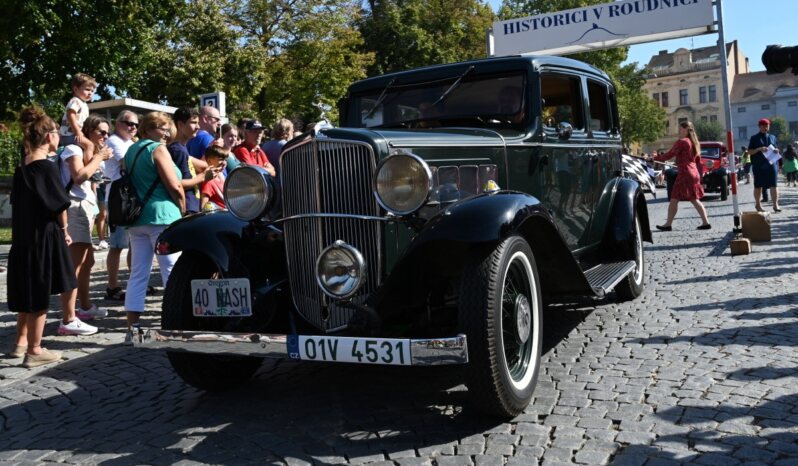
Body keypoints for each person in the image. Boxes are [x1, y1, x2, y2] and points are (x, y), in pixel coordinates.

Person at [7, 107, 80, 367]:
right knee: (39, 292)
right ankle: (35, 350)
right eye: (58, 134)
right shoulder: (46, 168)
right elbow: (59, 205)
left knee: (27, 290)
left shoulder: (21, 169)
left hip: (23, 237)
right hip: (44, 235)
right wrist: (65, 231)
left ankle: (20, 342)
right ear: (49, 136)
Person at [124, 112, 185, 330]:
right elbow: (174, 184)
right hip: (162, 215)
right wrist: (183, 207)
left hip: (137, 218)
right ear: (148, 128)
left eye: (168, 127)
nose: (166, 132)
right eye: (161, 127)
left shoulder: (131, 150)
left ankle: (133, 327)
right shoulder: (158, 149)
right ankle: (176, 322)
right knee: (172, 271)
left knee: (138, 273)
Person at [60, 115, 114, 326]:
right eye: (101, 131)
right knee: (75, 265)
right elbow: (78, 177)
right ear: (89, 131)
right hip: (75, 207)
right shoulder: (74, 149)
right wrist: (99, 157)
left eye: (107, 133)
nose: (105, 136)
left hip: (85, 208)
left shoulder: (90, 153)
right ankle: (69, 317)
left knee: (88, 262)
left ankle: (84, 307)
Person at [103, 110, 138, 301]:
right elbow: (128, 164)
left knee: (135, 243)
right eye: (128, 123)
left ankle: (135, 283)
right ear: (118, 123)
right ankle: (112, 286)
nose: (132, 127)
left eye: (135, 125)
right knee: (117, 245)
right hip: (118, 199)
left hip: (131, 198)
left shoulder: (131, 143)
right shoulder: (114, 141)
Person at [651, 121, 711, 231]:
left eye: (681, 129)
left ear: (686, 130)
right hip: (693, 172)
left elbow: (669, 154)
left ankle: (668, 224)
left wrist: (654, 158)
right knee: (694, 199)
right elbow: (696, 160)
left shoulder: (682, 142)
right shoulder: (694, 143)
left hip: (685, 173)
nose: (679, 131)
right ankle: (705, 222)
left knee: (674, 198)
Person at [168, 107, 215, 215]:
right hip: (186, 208)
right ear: (180, 124)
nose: (198, 127)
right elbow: (177, 184)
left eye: (198, 122)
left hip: (192, 206)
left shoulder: (181, 148)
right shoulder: (177, 150)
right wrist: (203, 176)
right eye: (193, 123)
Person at [748, 118, 781, 212]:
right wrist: (759, 149)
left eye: (767, 126)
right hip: (759, 166)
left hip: (772, 165)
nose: (765, 128)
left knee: (774, 185)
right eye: (763, 126)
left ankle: (775, 205)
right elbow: (749, 151)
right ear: (759, 127)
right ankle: (758, 205)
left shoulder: (773, 137)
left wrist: (777, 150)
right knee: (758, 186)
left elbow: (777, 148)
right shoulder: (754, 138)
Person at [58, 73, 96, 147]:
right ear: (76, 89)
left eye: (92, 91)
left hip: (73, 135)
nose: (90, 93)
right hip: (69, 135)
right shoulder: (76, 101)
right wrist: (77, 131)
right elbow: (70, 114)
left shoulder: (83, 104)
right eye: (87, 90)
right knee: (90, 145)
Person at [199, 145, 228, 210]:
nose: (224, 163)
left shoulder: (222, 176)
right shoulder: (208, 181)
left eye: (225, 160)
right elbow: (203, 207)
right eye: (221, 159)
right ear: (209, 161)